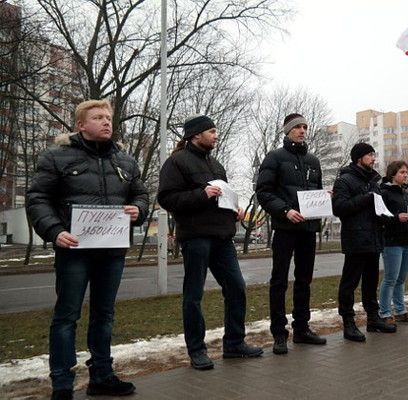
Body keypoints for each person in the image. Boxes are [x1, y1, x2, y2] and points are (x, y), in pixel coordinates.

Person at [26, 100, 149, 400]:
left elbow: (141, 193)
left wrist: (139, 210)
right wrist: (55, 232)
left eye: (108, 117)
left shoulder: (125, 160)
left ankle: (102, 376)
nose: (106, 121)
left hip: (112, 251)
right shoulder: (56, 156)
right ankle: (62, 383)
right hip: (74, 250)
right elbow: (38, 197)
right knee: (67, 316)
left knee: (104, 315)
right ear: (81, 125)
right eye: (98, 117)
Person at [157, 115, 263, 371]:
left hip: (222, 236)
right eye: (212, 131)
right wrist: (201, 194)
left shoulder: (216, 164)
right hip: (195, 236)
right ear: (195, 135)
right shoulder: (176, 162)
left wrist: (234, 210)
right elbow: (167, 198)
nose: (216, 135)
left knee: (237, 288)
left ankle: (234, 344)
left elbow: (222, 198)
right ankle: (197, 350)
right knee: (194, 295)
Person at [255, 113, 327, 355]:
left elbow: (316, 192)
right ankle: (279, 334)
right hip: (285, 228)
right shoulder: (275, 157)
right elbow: (263, 192)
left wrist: (324, 200)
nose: (302, 130)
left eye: (305, 126)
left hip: (308, 229)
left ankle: (302, 329)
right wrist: (285, 211)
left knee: (304, 281)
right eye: (297, 127)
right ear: (287, 131)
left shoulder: (313, 160)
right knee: (279, 281)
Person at [332, 142, 396, 342]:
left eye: (373, 155)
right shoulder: (345, 180)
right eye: (369, 155)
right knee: (349, 283)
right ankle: (348, 323)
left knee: (371, 281)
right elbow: (339, 208)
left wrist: (386, 216)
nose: (373, 158)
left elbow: (377, 207)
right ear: (359, 158)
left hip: (374, 238)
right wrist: (366, 198)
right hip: (356, 239)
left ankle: (373, 318)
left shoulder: (373, 182)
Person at [377, 160, 408, 325]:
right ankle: (385, 312)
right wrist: (396, 218)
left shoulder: (406, 194)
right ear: (393, 174)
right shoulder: (384, 193)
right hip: (392, 242)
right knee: (390, 278)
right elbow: (380, 216)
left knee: (401, 279)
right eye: (402, 172)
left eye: (406, 172)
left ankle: (401, 311)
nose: (405, 175)